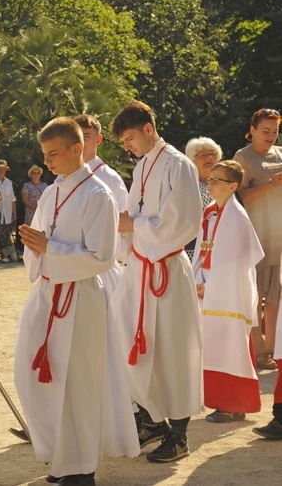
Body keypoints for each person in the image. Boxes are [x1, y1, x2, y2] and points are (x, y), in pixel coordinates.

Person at [14, 117, 136, 486]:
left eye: (54, 154)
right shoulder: (51, 192)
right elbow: (40, 243)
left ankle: (80, 469)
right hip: (49, 293)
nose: (47, 162)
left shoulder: (99, 194)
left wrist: (49, 248)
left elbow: (101, 256)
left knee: (77, 384)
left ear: (76, 148)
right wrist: (34, 244)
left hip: (81, 296)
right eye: (45, 155)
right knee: (32, 377)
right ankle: (61, 458)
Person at [110, 100, 203, 463]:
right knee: (128, 339)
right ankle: (151, 419)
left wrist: (135, 226)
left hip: (165, 270)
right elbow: (138, 214)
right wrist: (127, 224)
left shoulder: (178, 165)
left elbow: (184, 222)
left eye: (130, 138)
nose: (128, 146)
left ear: (148, 129)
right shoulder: (145, 164)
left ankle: (179, 435)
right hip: (140, 269)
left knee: (172, 350)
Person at [191, 160, 263, 424]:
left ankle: (235, 405)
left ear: (233, 186)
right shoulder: (209, 211)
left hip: (229, 292)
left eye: (217, 180)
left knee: (230, 347)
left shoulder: (237, 218)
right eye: (209, 179)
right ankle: (220, 402)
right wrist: (196, 279)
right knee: (213, 346)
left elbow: (235, 263)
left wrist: (209, 286)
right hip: (208, 288)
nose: (210, 184)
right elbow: (201, 250)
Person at [233, 108, 282, 371]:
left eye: (275, 132)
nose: (271, 136)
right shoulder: (242, 157)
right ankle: (257, 349)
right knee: (253, 297)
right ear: (252, 130)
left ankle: (272, 350)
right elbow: (238, 197)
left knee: (275, 297)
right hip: (252, 237)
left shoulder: (281, 154)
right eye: (265, 131)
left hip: (279, 237)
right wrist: (272, 184)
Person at [184, 137, 222, 260]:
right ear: (191, 160)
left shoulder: (227, 184)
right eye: (202, 155)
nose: (209, 158)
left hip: (221, 248)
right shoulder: (187, 186)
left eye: (212, 154)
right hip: (194, 249)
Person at [0, 159, 17, 263]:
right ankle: (3, 255)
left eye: (3, 169)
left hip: (7, 212)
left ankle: (6, 255)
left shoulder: (9, 182)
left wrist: (14, 213)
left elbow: (12, 198)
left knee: (6, 234)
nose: (1, 171)